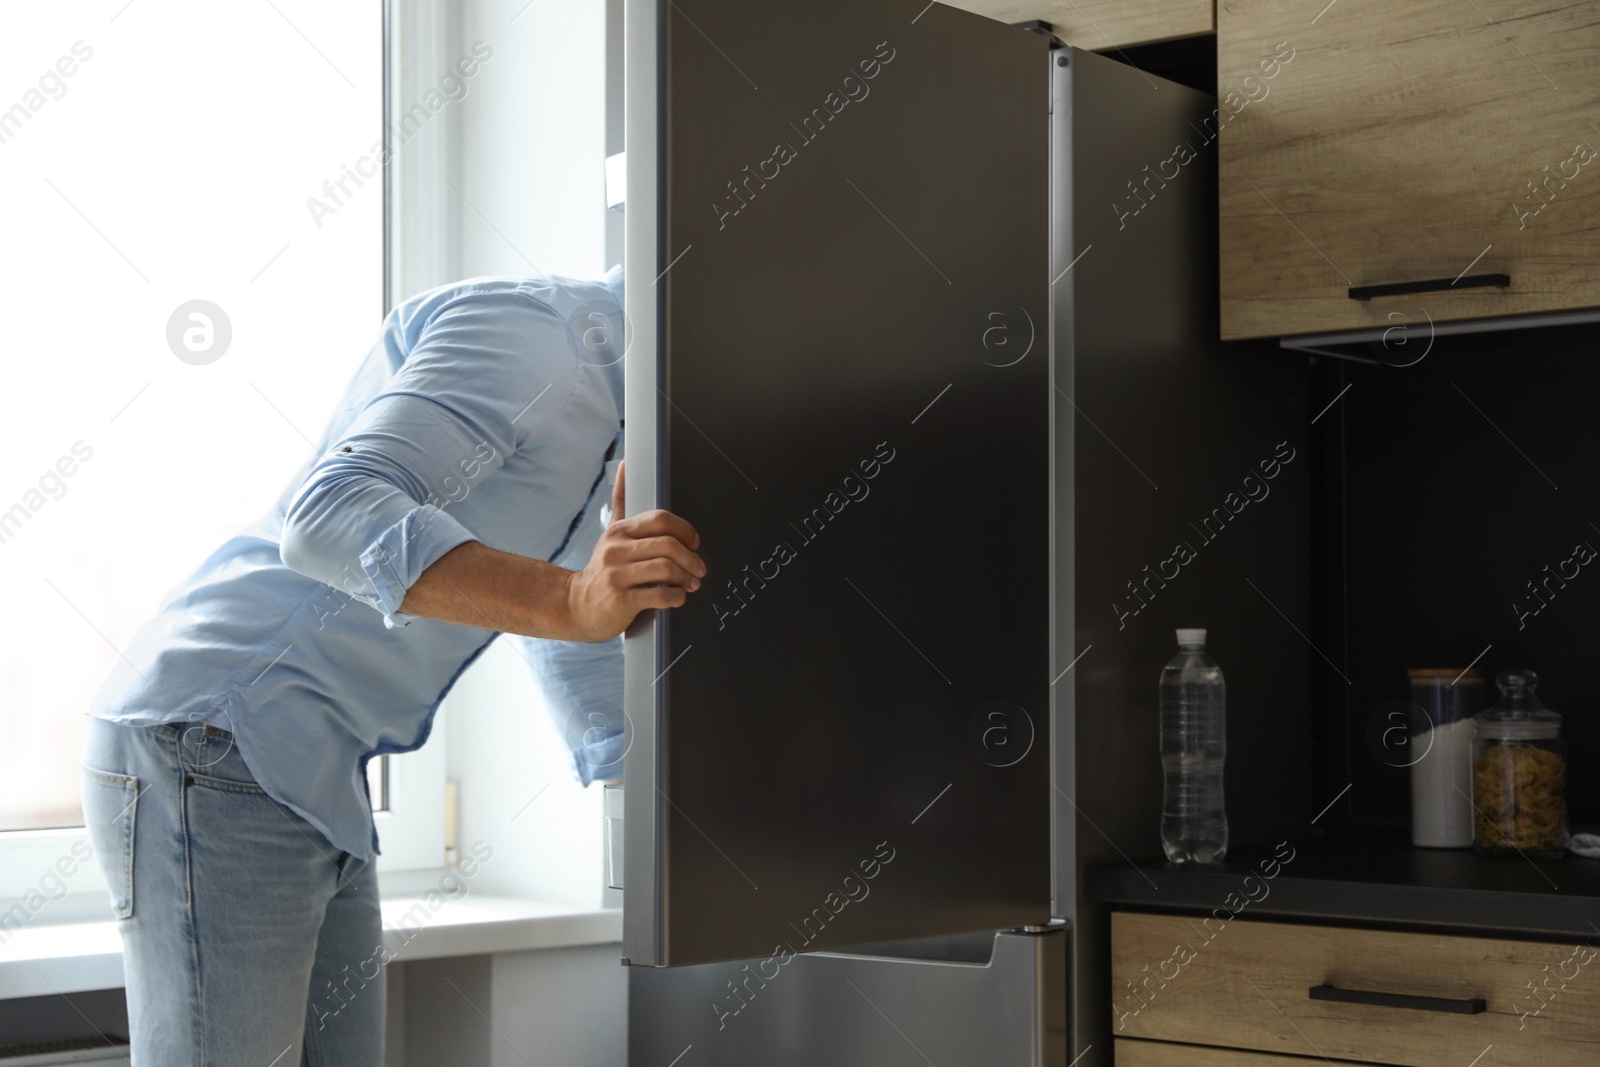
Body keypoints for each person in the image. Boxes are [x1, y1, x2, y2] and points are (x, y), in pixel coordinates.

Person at [80, 264, 704, 1065]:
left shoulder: (622, 415)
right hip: (215, 730)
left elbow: (559, 605)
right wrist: (574, 600)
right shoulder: (546, 335)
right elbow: (329, 515)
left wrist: (639, 790)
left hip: (310, 765)